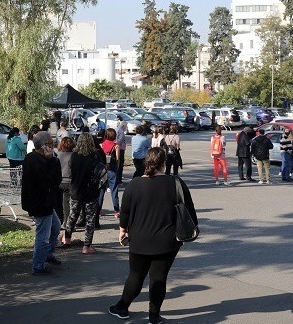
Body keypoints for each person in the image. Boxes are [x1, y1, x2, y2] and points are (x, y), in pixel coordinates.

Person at [109, 148, 198, 323]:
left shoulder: (134, 185)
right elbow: (190, 212)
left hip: (139, 240)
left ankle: (122, 307)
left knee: (135, 275)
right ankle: (154, 316)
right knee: (159, 278)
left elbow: (125, 213)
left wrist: (122, 231)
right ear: (164, 164)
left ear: (146, 163)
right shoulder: (175, 183)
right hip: (167, 241)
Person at [21, 131, 62, 275]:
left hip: (46, 202)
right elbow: (52, 180)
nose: (52, 147)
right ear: (43, 146)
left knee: (56, 227)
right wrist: (51, 160)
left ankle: (48, 255)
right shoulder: (35, 160)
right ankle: (38, 265)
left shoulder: (37, 158)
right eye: (50, 144)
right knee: (43, 236)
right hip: (40, 203)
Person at [62, 133, 103, 254]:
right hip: (91, 191)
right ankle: (87, 246)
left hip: (76, 190)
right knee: (90, 219)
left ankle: (67, 240)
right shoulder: (95, 155)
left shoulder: (74, 156)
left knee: (72, 217)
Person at [98, 128, 121, 227]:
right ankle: (117, 210)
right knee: (114, 190)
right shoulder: (116, 146)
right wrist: (117, 167)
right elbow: (118, 159)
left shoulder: (101, 145)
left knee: (101, 191)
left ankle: (98, 210)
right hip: (112, 170)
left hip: (103, 170)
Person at [56, 137, 75, 230]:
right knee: (69, 204)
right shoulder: (74, 156)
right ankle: (68, 222)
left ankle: (60, 221)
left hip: (60, 182)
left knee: (61, 203)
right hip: (70, 182)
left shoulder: (58, 155)